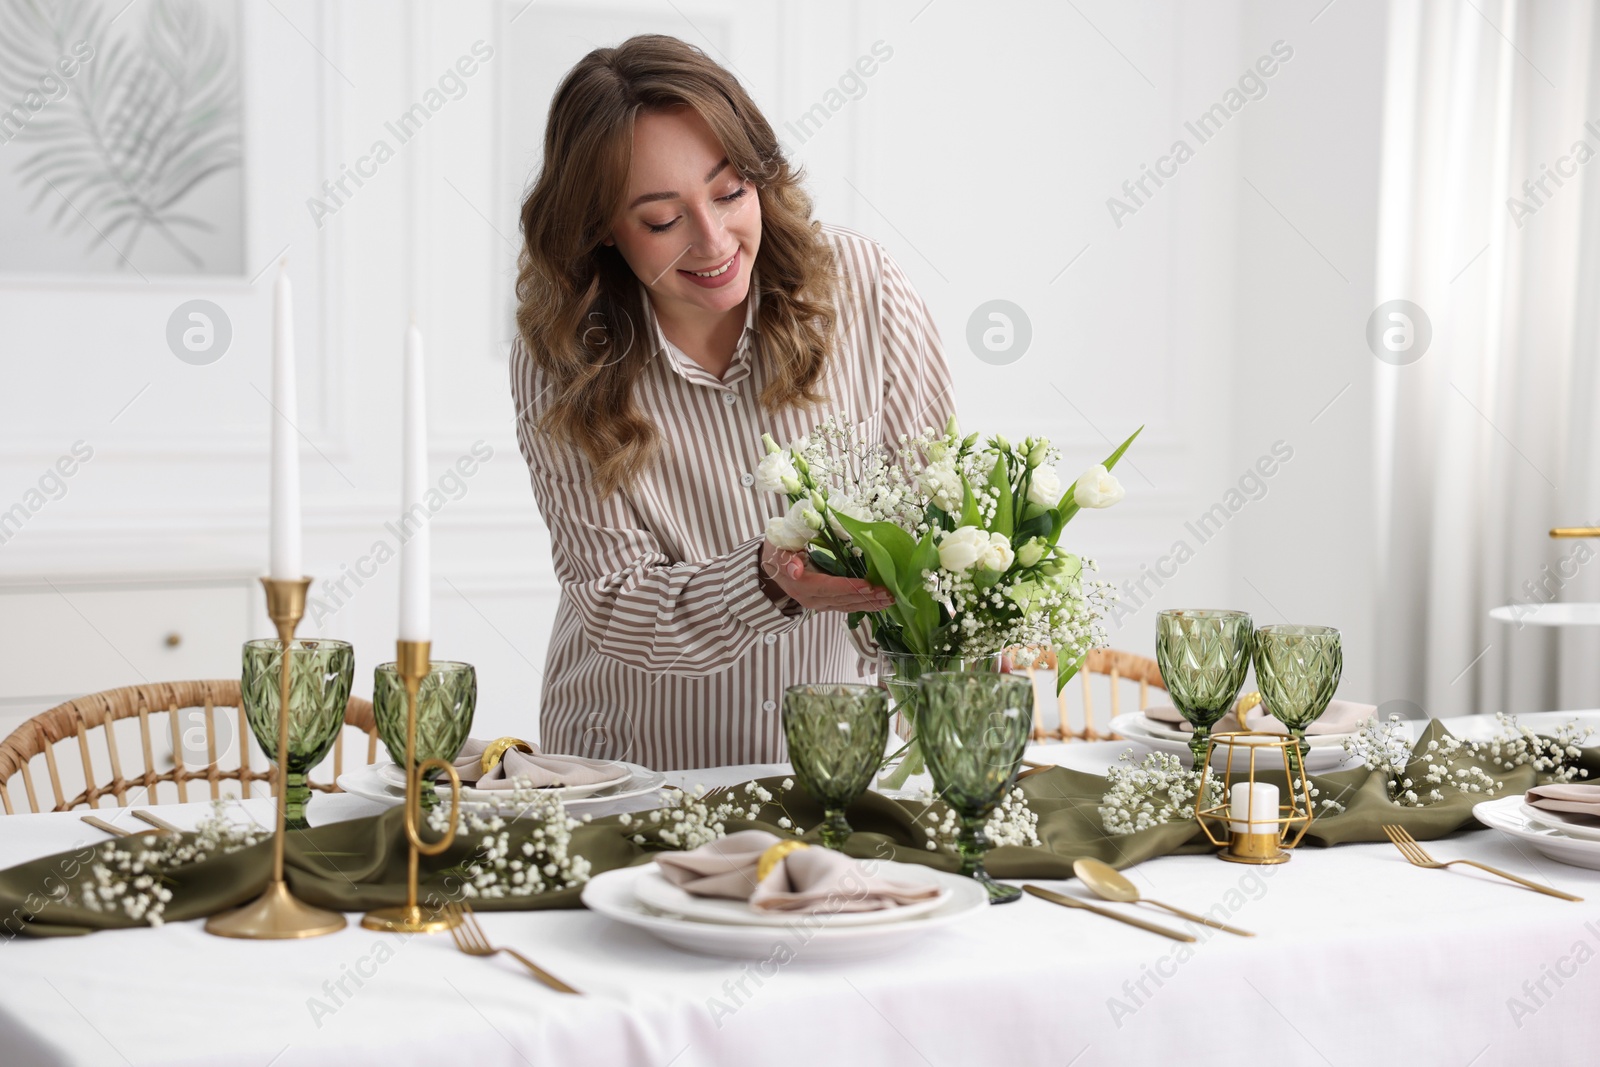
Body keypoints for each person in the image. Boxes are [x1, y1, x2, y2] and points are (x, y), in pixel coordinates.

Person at [510, 34, 955, 770]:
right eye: (661, 219)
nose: (714, 240)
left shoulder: (862, 286)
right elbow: (613, 599)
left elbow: (934, 514)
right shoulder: (563, 355)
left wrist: (961, 630)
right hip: (633, 773)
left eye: (730, 192)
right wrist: (766, 581)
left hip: (840, 767)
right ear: (599, 230)